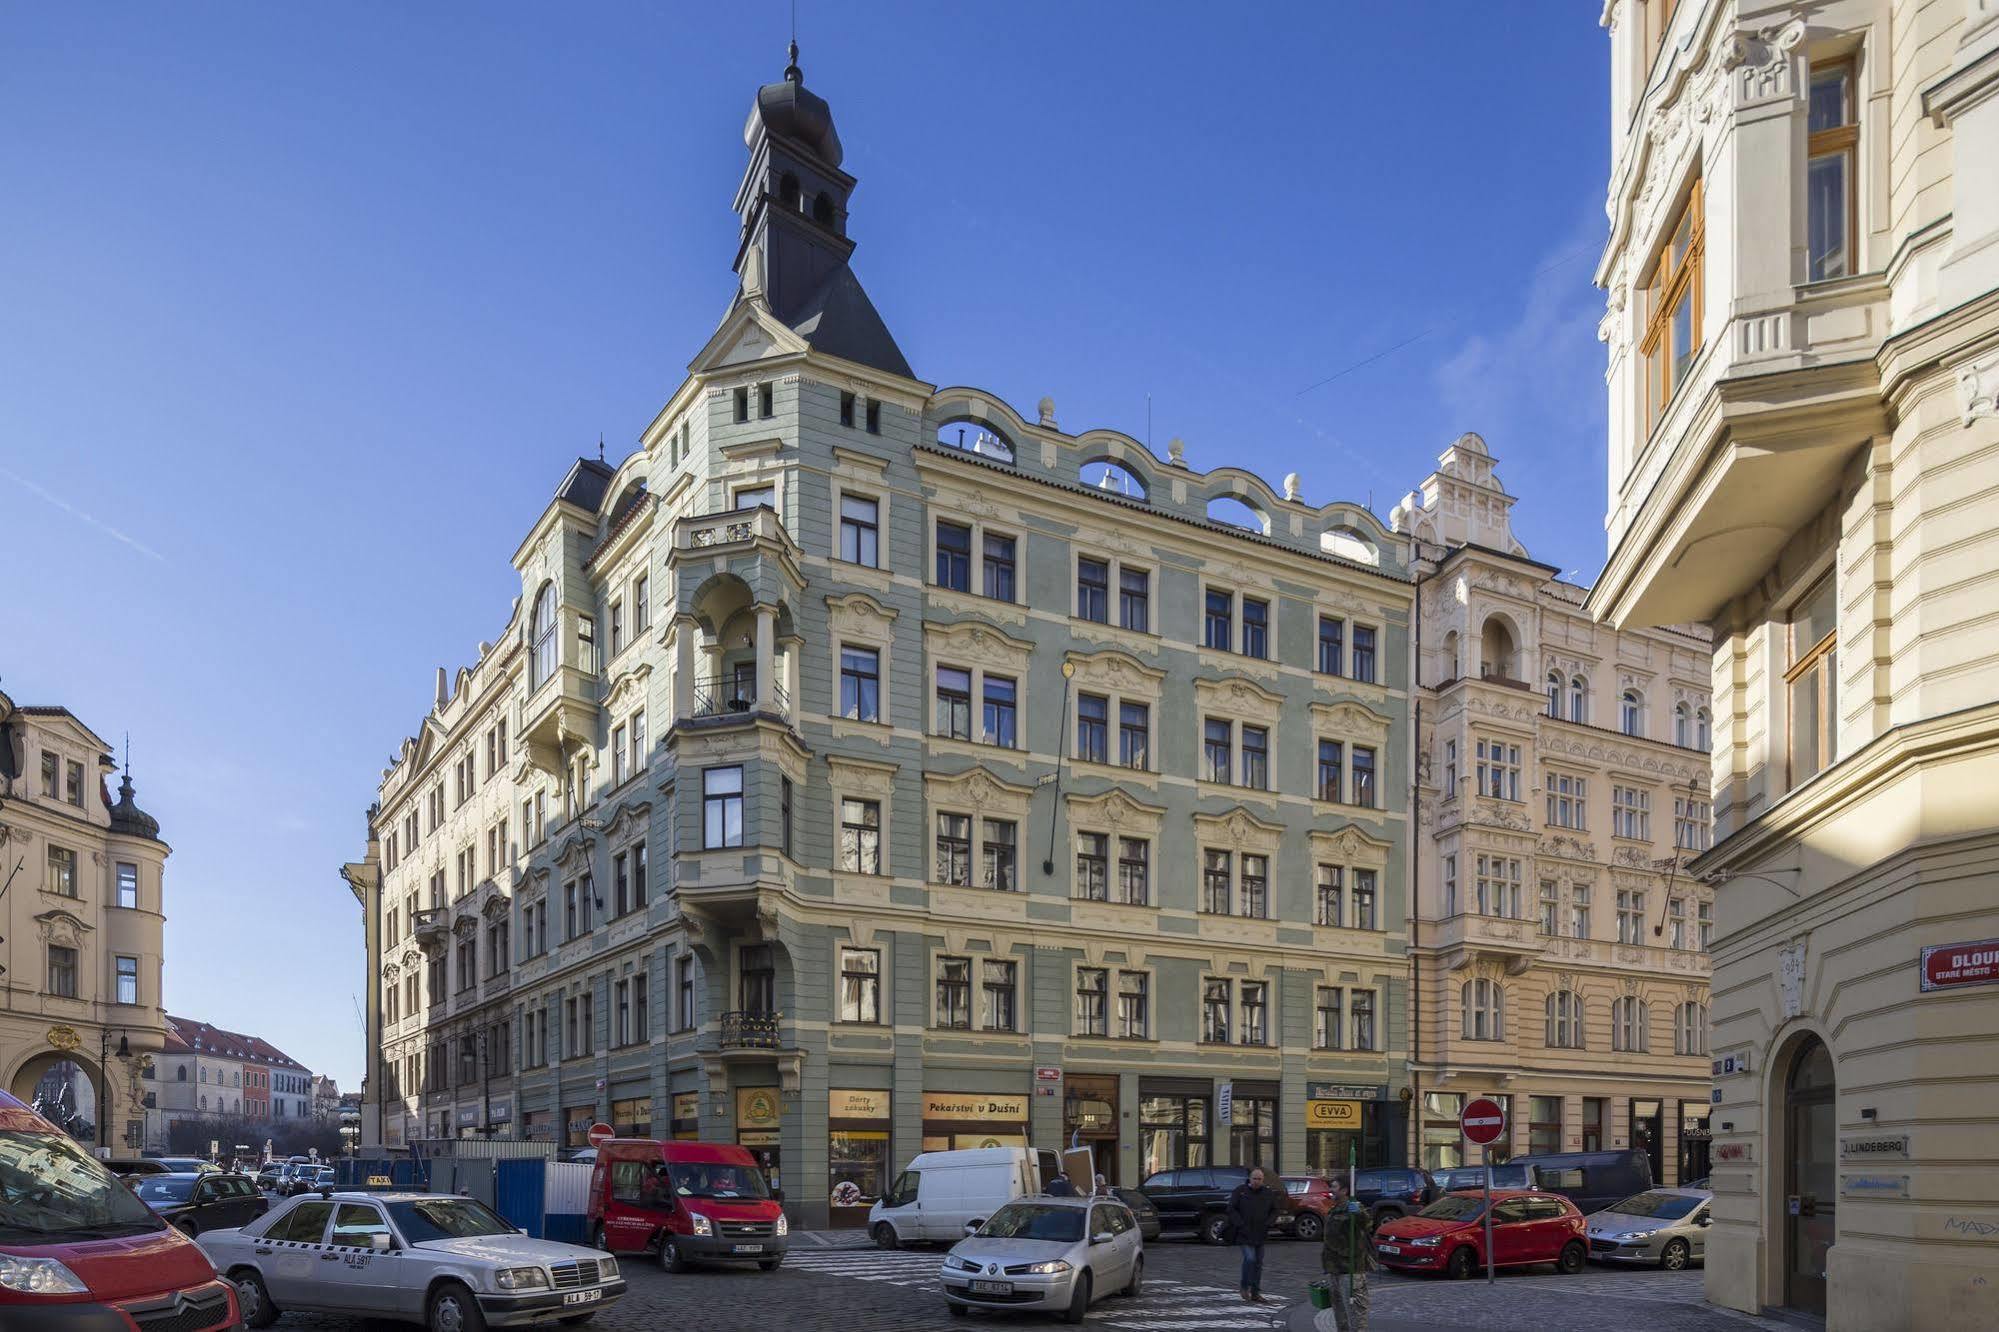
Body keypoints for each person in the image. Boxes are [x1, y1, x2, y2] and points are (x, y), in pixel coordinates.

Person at [1320, 1178, 1377, 1332]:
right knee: (1340, 1313)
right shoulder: (1335, 1208)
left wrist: (1358, 1213)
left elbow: (1367, 1224)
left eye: (1334, 1186)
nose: (1331, 1189)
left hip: (1350, 1269)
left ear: (1344, 1190)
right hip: (1334, 1268)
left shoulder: (1355, 1207)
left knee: (1356, 1313)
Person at [1224, 1167, 1279, 1303]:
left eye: (1259, 1179)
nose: (1256, 1181)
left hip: (1260, 1233)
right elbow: (1231, 1209)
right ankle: (1244, 1286)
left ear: (1263, 1180)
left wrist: (1269, 1223)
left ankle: (1255, 1292)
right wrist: (1240, 1224)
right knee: (1250, 1259)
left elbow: (1275, 1210)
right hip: (1244, 1233)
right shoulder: (1240, 1191)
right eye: (1254, 1178)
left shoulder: (1267, 1193)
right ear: (1250, 1179)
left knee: (1258, 1263)